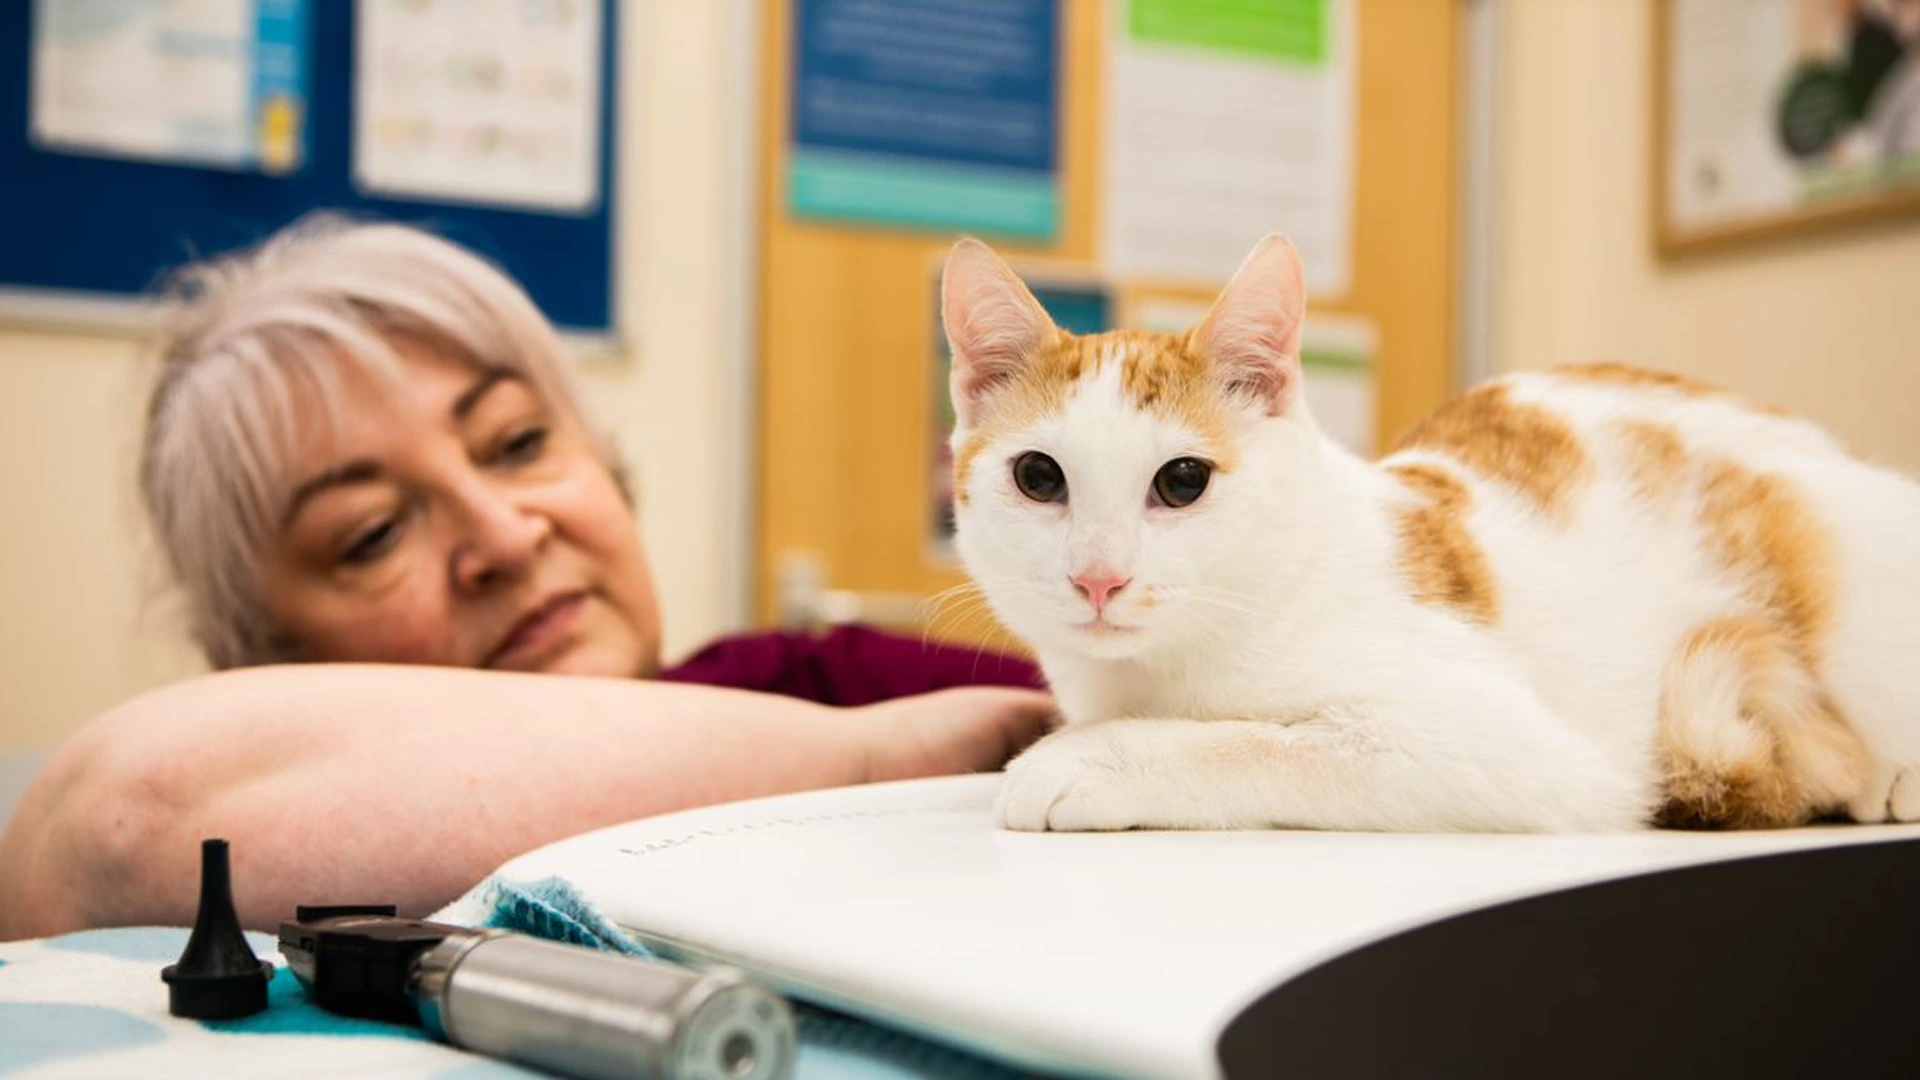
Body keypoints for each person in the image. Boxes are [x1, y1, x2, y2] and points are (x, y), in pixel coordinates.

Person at [0, 218, 1050, 940]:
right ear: (263, 663)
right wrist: (874, 764)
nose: (501, 535)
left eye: (514, 442)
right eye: (369, 535)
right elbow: (115, 829)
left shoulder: (825, 678)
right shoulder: (880, 732)